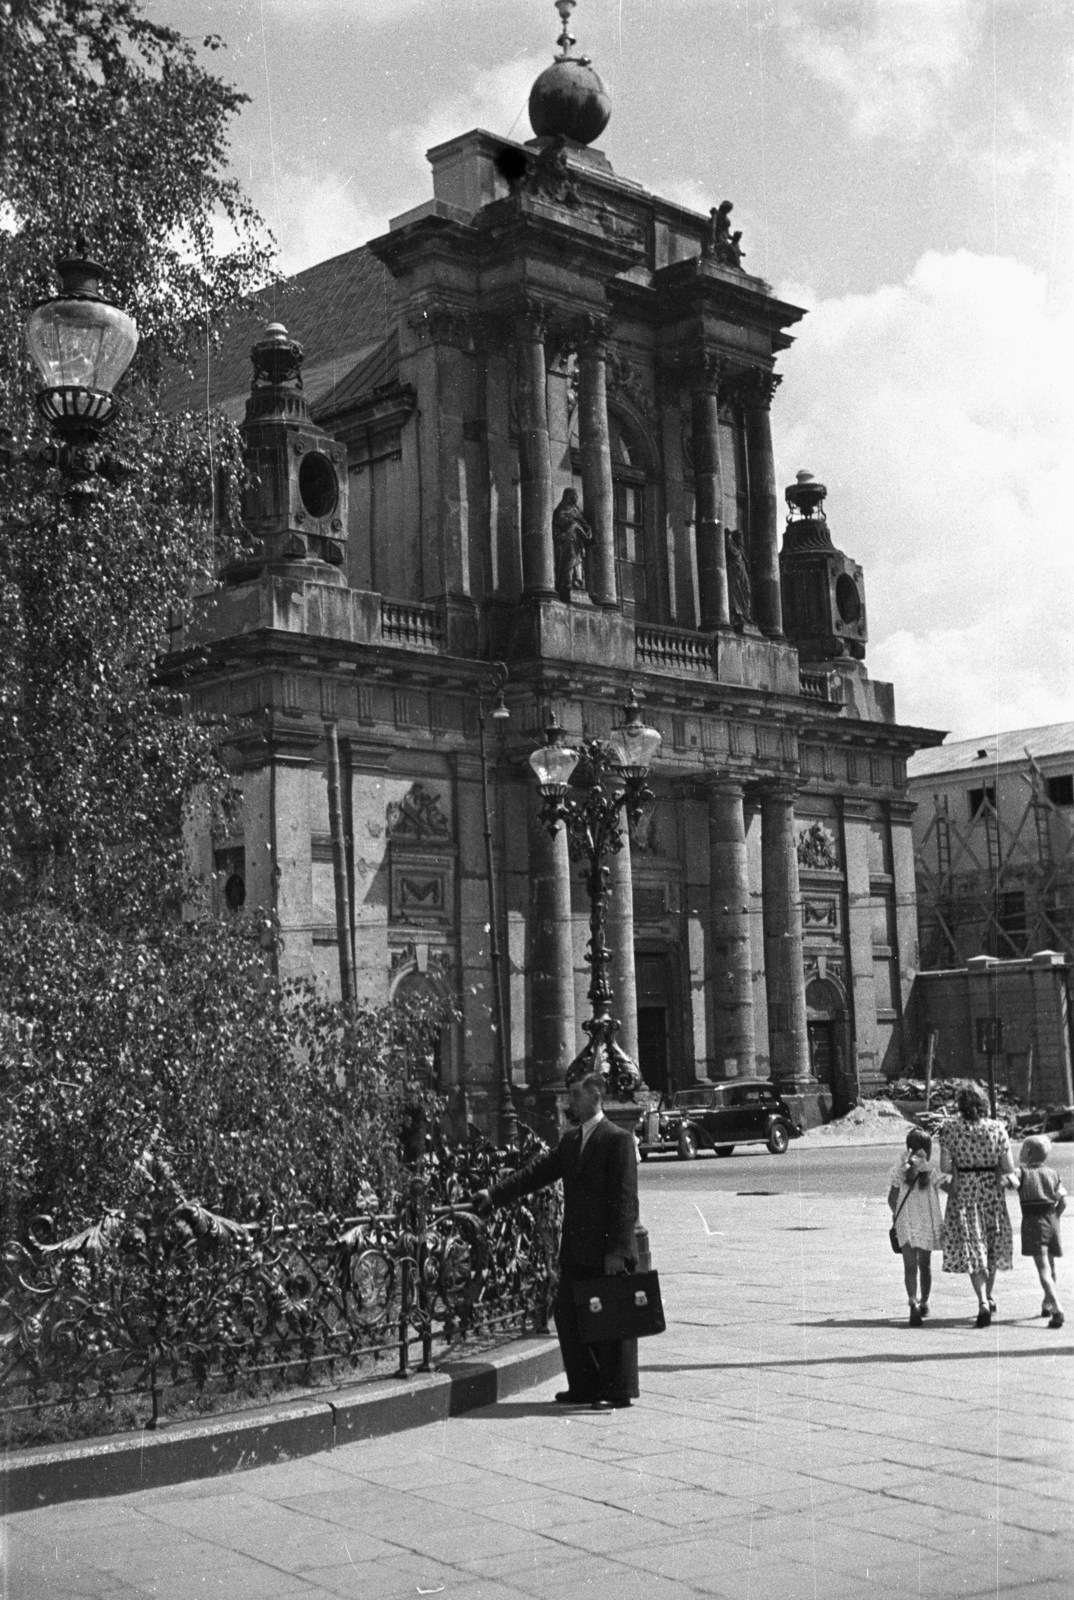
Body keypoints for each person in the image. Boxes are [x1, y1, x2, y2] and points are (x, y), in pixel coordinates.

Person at [474, 1072, 639, 1410]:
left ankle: (616, 1390)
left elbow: (625, 1200)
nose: (569, 1102)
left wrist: (618, 1252)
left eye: (576, 1095)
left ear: (595, 1096)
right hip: (577, 1248)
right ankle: (584, 1386)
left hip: (607, 1250)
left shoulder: (617, 1139)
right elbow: (536, 1174)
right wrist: (494, 1194)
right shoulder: (571, 1141)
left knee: (609, 1320)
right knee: (567, 1315)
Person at [939, 1082, 1015, 1326]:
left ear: (960, 1105)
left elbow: (944, 1166)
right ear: (984, 1104)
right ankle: (990, 1296)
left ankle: (982, 1299)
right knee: (990, 1246)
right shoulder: (997, 1128)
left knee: (974, 1248)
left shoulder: (950, 1129)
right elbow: (1008, 1167)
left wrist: (961, 1165)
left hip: (964, 1193)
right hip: (991, 1194)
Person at [887, 1128, 947, 1326]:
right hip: (926, 1226)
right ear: (928, 1150)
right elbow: (948, 1187)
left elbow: (892, 1199)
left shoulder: (900, 1170)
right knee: (925, 1266)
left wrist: (897, 1216)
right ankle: (924, 1303)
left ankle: (912, 1300)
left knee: (909, 1268)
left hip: (906, 1224)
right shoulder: (931, 1171)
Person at [1014, 1134, 1066, 1328]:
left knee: (1042, 1267)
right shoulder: (1053, 1173)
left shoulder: (1022, 1173)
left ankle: (1057, 1306)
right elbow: (1063, 1201)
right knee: (1051, 1265)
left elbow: (1008, 1182)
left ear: (1028, 1153)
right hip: (1051, 1220)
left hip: (1033, 1222)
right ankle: (1046, 1303)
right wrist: (1054, 1218)